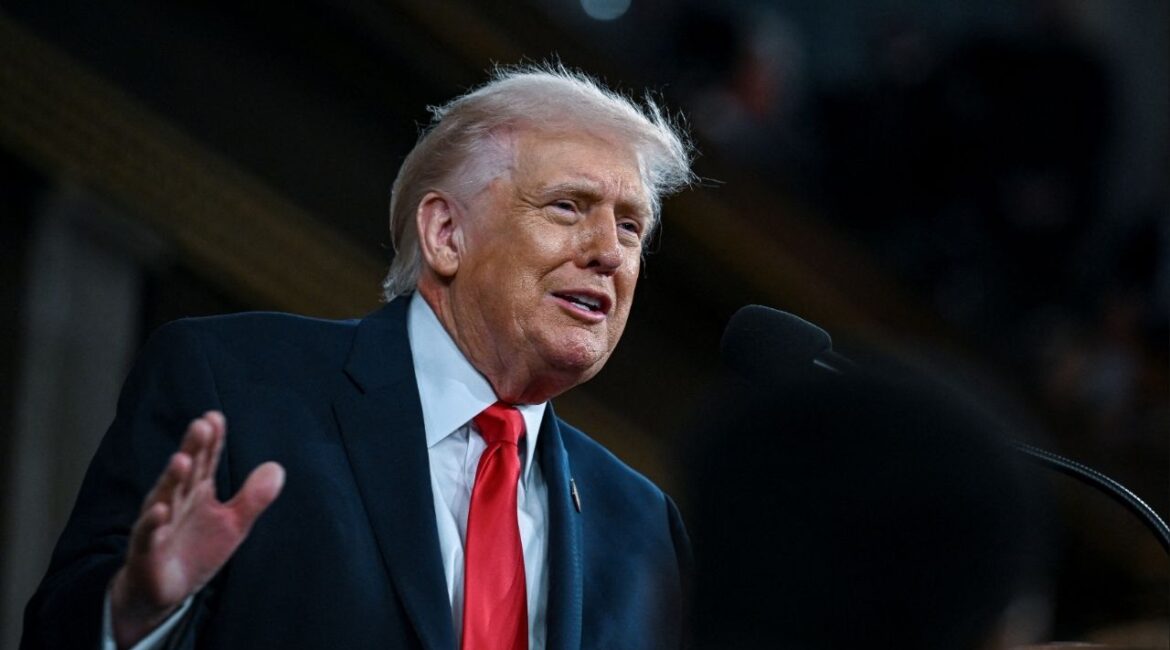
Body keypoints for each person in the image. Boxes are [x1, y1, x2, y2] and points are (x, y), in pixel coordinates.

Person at [21, 65, 695, 650]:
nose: (609, 252)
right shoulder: (234, 386)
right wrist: (139, 613)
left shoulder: (641, 528)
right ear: (446, 233)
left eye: (630, 226)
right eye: (568, 207)